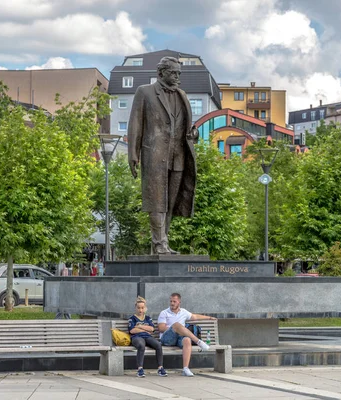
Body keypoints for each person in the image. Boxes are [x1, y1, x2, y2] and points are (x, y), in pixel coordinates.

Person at [127, 56, 199, 254]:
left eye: (179, 74)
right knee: (156, 200)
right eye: (173, 73)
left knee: (170, 203)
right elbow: (135, 124)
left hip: (178, 156)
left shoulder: (182, 95)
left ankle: (162, 244)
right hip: (154, 155)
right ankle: (159, 243)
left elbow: (184, 125)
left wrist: (193, 135)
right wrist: (133, 153)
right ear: (160, 73)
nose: (177, 77)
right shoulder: (145, 92)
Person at [158, 292, 215, 377]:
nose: (172, 303)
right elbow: (161, 328)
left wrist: (209, 318)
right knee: (177, 325)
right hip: (167, 339)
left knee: (187, 340)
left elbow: (195, 317)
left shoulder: (183, 312)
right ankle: (199, 342)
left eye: (174, 301)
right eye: (171, 301)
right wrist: (174, 328)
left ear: (179, 302)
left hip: (179, 338)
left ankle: (185, 369)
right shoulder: (164, 313)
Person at [129, 296, 167, 378]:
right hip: (136, 337)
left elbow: (152, 329)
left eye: (142, 308)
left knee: (158, 345)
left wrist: (139, 326)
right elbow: (132, 331)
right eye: (138, 308)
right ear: (136, 308)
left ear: (145, 308)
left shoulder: (148, 318)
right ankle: (140, 369)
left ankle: (160, 368)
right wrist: (145, 329)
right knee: (141, 346)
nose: (140, 310)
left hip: (147, 337)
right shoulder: (132, 319)